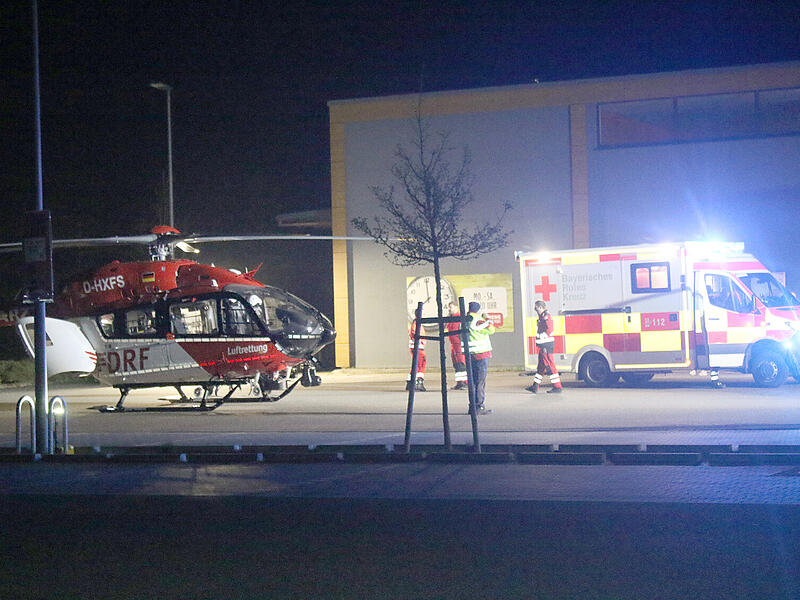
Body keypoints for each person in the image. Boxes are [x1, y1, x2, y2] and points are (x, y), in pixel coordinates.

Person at [526, 300, 563, 394]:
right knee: (541, 367)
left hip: (546, 345)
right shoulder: (542, 316)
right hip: (543, 346)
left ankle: (557, 386)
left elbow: (549, 330)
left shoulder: (546, 316)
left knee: (549, 365)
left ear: (540, 307)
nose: (535, 310)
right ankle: (535, 386)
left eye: (536, 308)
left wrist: (541, 337)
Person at [466, 301, 495, 415]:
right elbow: (491, 329)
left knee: (472, 382)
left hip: (469, 355)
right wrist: (487, 318)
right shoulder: (478, 320)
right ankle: (479, 406)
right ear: (478, 310)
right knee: (480, 382)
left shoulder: (464, 321)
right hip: (481, 354)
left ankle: (472, 407)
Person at [446, 301, 468, 390]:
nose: (449, 309)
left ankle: (465, 382)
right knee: (456, 364)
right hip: (453, 345)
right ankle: (459, 382)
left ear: (456, 307)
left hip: (458, 344)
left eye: (450, 307)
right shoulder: (450, 319)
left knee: (461, 363)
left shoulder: (459, 318)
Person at [406, 319, 426, 392]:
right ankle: (419, 383)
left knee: (416, 365)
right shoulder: (417, 324)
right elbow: (416, 335)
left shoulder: (416, 324)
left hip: (417, 347)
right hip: (418, 348)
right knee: (420, 365)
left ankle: (410, 382)